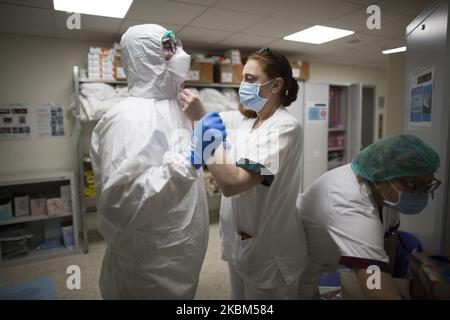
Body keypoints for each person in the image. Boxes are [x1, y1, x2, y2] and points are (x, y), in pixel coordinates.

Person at [90, 24, 226, 299]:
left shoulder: (178, 106)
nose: (180, 53)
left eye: (176, 45)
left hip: (178, 253)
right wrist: (191, 159)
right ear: (144, 56)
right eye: (169, 47)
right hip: (147, 265)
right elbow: (120, 203)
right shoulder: (127, 118)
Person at [178, 47, 307, 299]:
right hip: (242, 244)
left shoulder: (285, 128)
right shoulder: (248, 121)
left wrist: (205, 130)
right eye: (242, 78)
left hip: (271, 253)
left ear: (276, 85)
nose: (242, 86)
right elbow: (207, 116)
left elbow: (233, 183)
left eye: (250, 79)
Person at [297, 134, 441, 299]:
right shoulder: (348, 202)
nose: (420, 194)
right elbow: (375, 286)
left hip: (321, 265)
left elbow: (390, 241)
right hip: (292, 271)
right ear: (379, 180)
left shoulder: (388, 196)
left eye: (427, 185)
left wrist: (388, 282)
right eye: (413, 185)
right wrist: (383, 288)